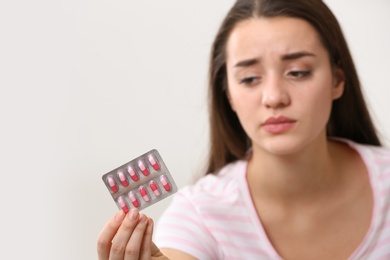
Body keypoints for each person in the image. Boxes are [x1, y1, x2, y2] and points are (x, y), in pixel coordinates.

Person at [97, 0, 390, 259]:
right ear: (228, 95)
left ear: (338, 79)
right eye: (250, 78)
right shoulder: (202, 212)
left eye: (298, 72)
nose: (274, 97)